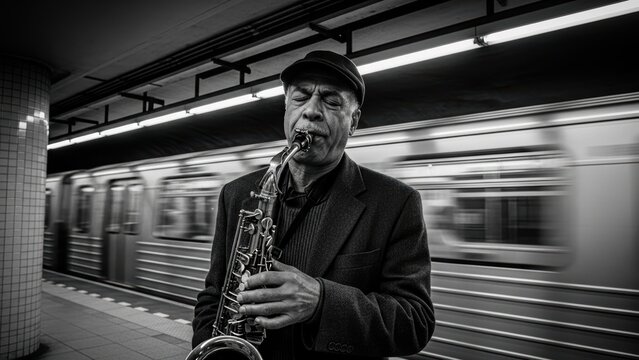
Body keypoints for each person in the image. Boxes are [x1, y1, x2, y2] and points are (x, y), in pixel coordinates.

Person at [192, 50, 435, 359]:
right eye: (300, 98)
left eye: (331, 101)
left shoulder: (396, 202)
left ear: (354, 121)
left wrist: (322, 301)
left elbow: (415, 322)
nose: (311, 111)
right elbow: (213, 296)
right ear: (286, 109)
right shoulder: (236, 193)